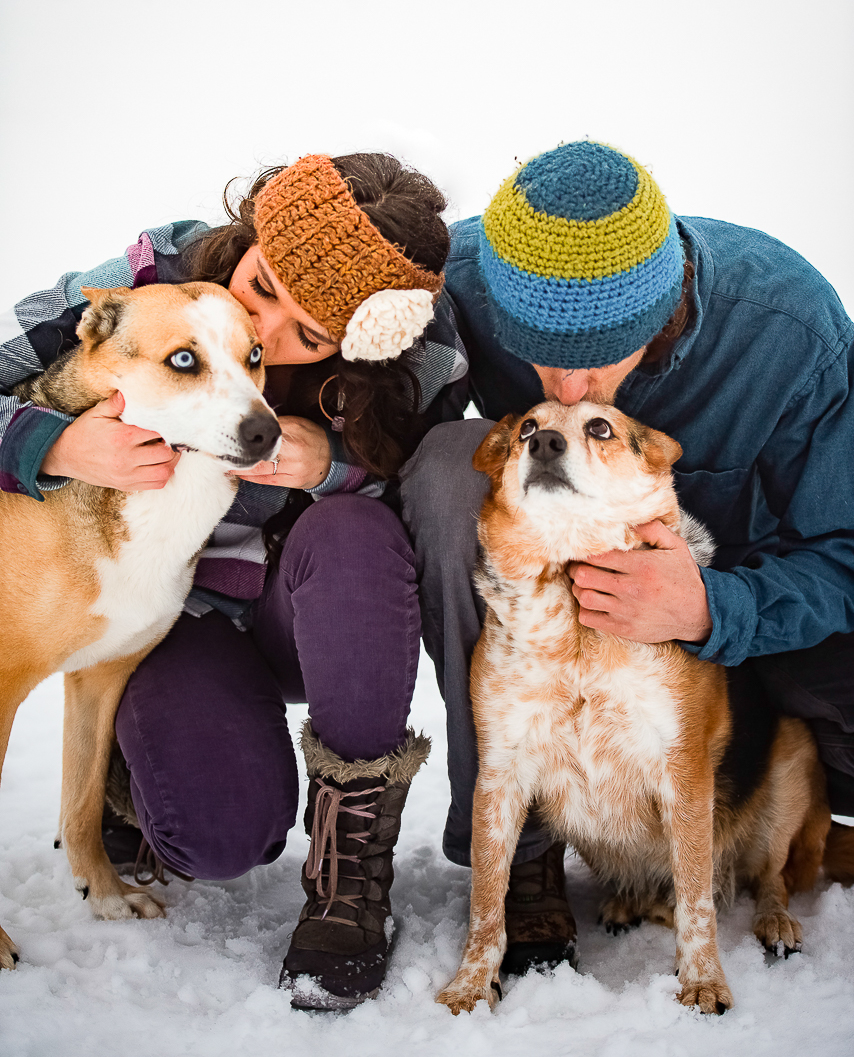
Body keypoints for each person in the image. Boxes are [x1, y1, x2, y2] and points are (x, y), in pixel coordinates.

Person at [0, 151, 464, 1010]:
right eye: (262, 283)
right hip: (177, 619)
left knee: (357, 525)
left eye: (311, 336)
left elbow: (435, 499)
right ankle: (139, 783)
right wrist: (51, 444)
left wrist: (335, 465)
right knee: (216, 837)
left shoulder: (417, 351)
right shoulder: (147, 280)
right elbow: (13, 371)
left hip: (318, 612)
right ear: (247, 237)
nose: (268, 331)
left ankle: (349, 876)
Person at [399, 140, 854, 975]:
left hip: (758, 623)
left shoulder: (790, 327)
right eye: (538, 358)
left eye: (596, 360)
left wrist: (715, 609)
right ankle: (526, 846)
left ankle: (806, 825)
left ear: (668, 307)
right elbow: (254, 273)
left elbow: (846, 551)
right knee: (441, 472)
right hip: (550, 631)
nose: (565, 392)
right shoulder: (461, 274)